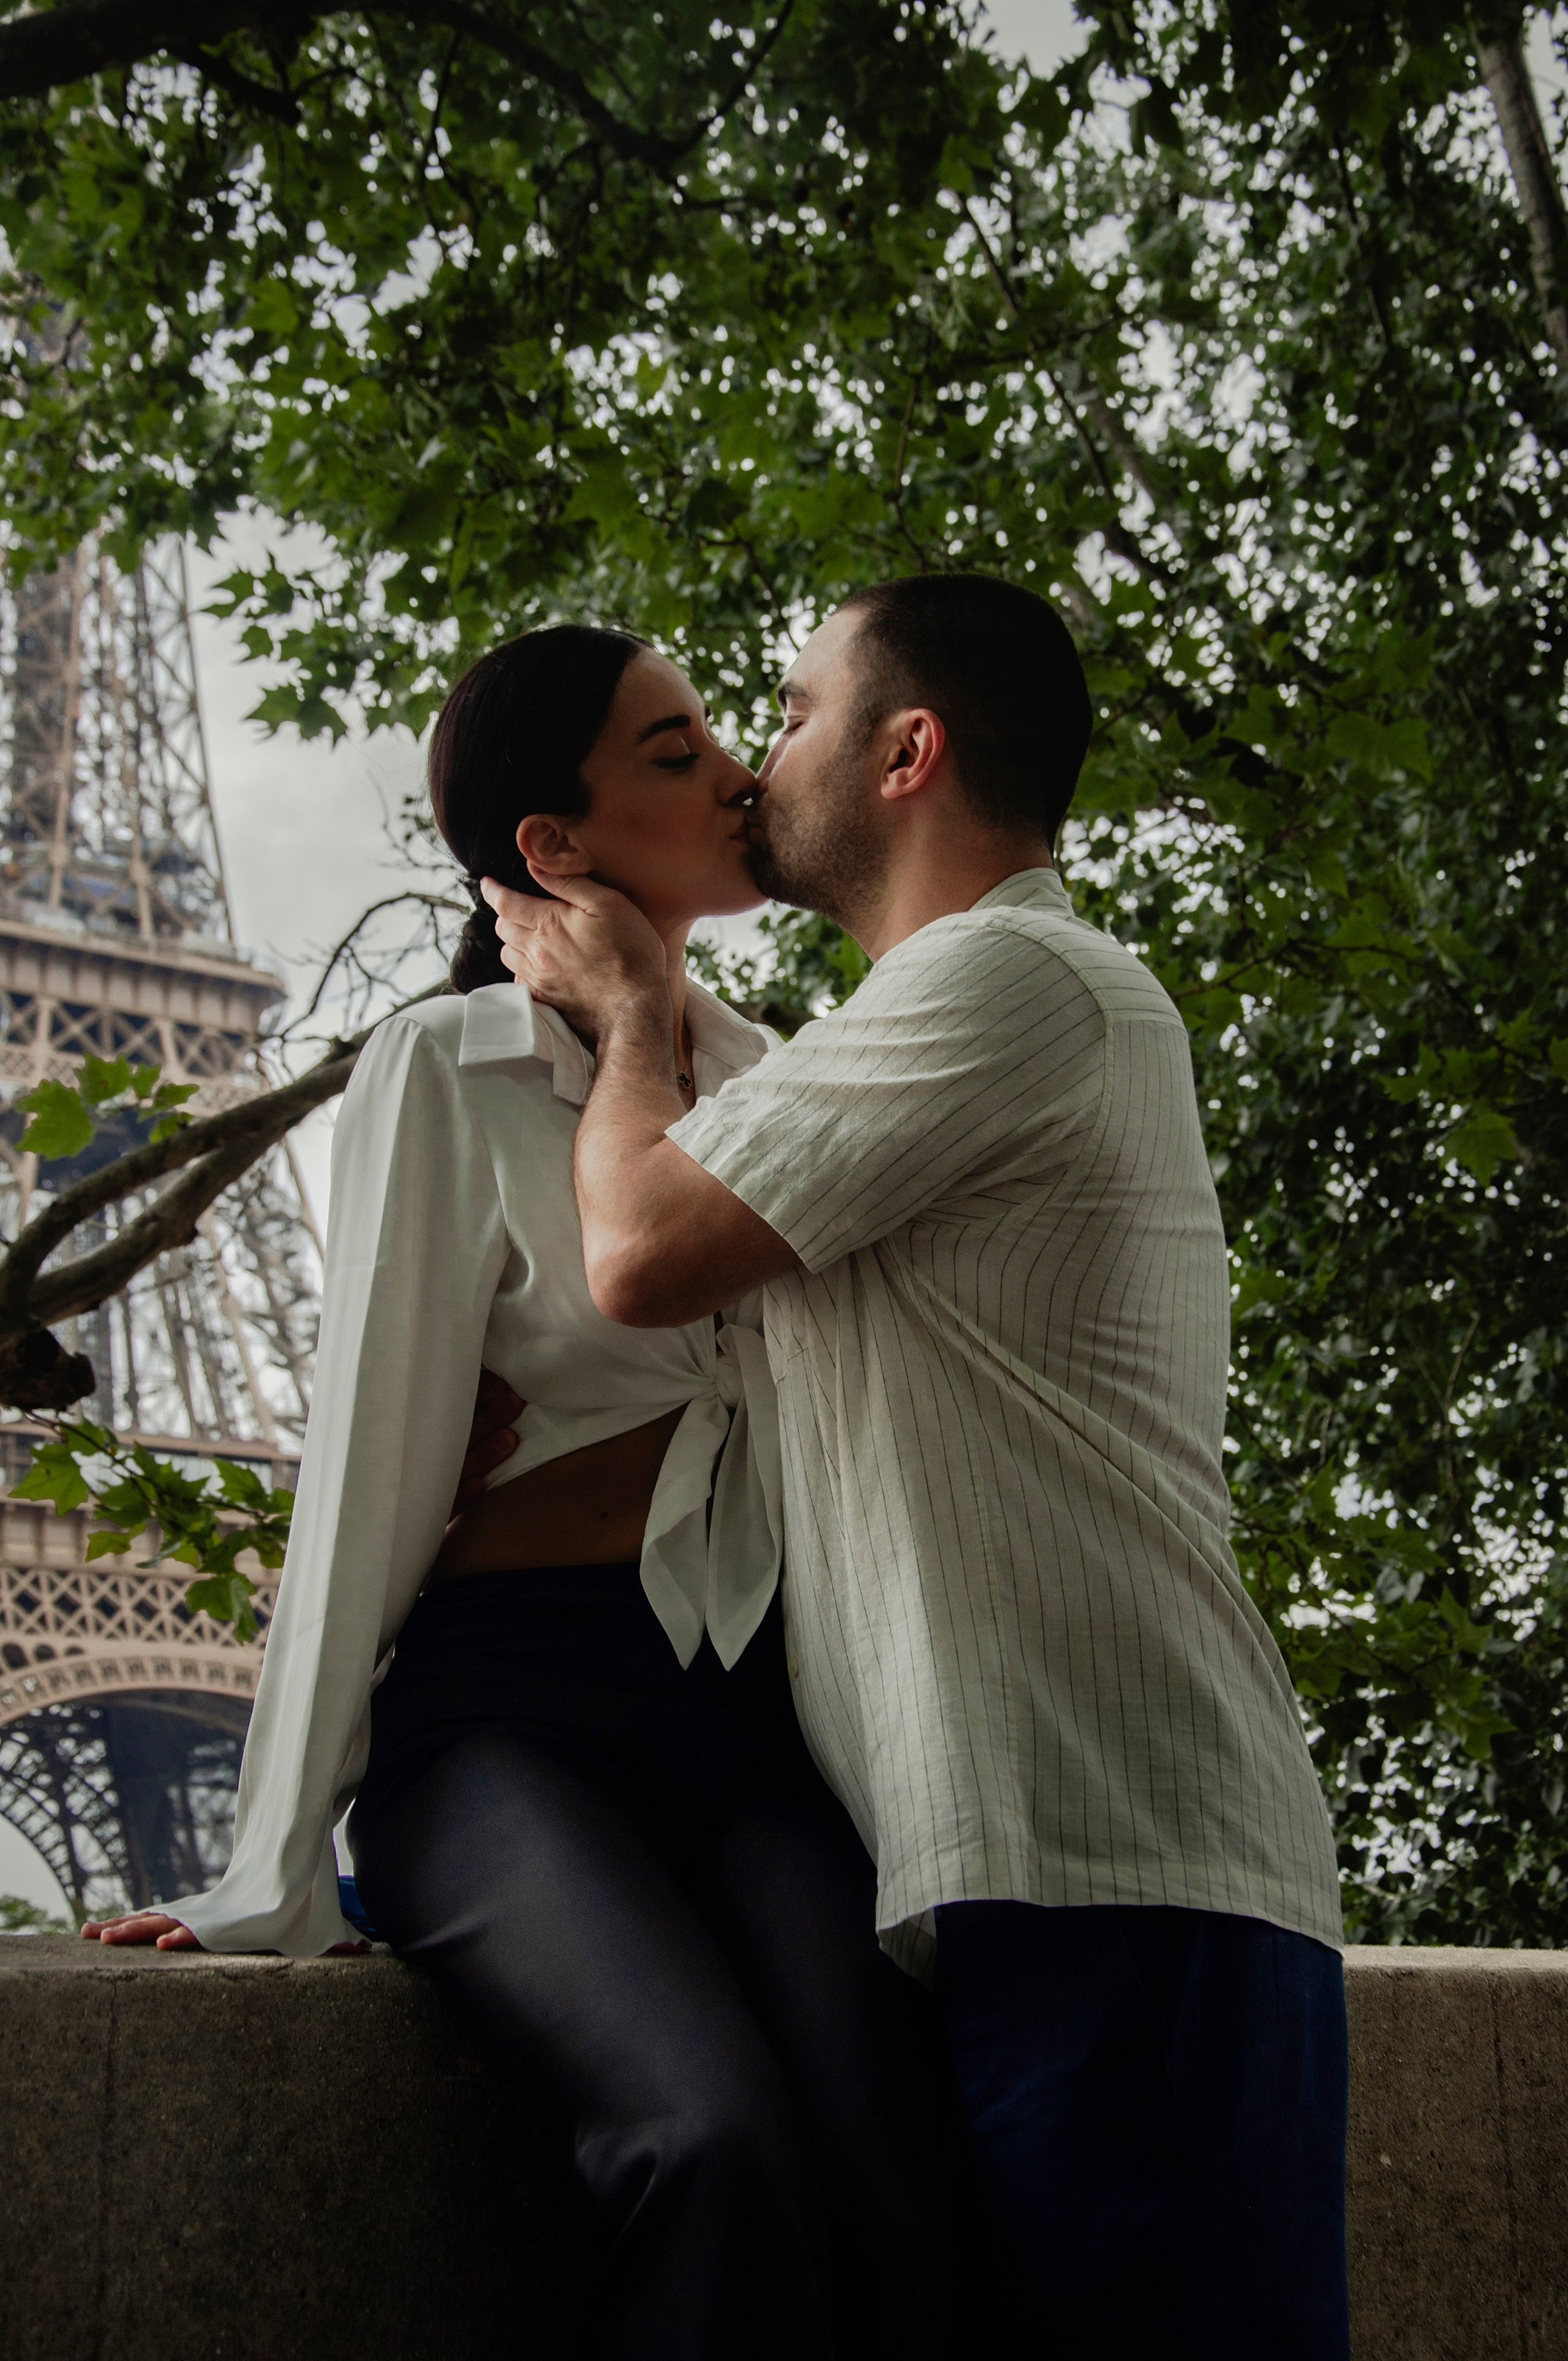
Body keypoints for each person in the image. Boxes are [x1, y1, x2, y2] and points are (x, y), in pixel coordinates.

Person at [483, 573, 1353, 2361]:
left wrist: (634, 1017)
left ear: (908, 748)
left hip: (1119, 1869)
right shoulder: (909, 1035)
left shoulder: (1011, 975)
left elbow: (639, 1252)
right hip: (1040, 1876)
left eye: (789, 712)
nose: (751, 760)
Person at [78, 624, 958, 2361]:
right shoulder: (448, 1071)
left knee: (913, 2190)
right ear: (552, 848)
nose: (729, 770)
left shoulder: (789, 1076)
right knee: (707, 2144)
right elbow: (366, 1477)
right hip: (511, 1723)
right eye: (668, 748)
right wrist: (269, 1868)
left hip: (757, 1719)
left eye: (720, 730)